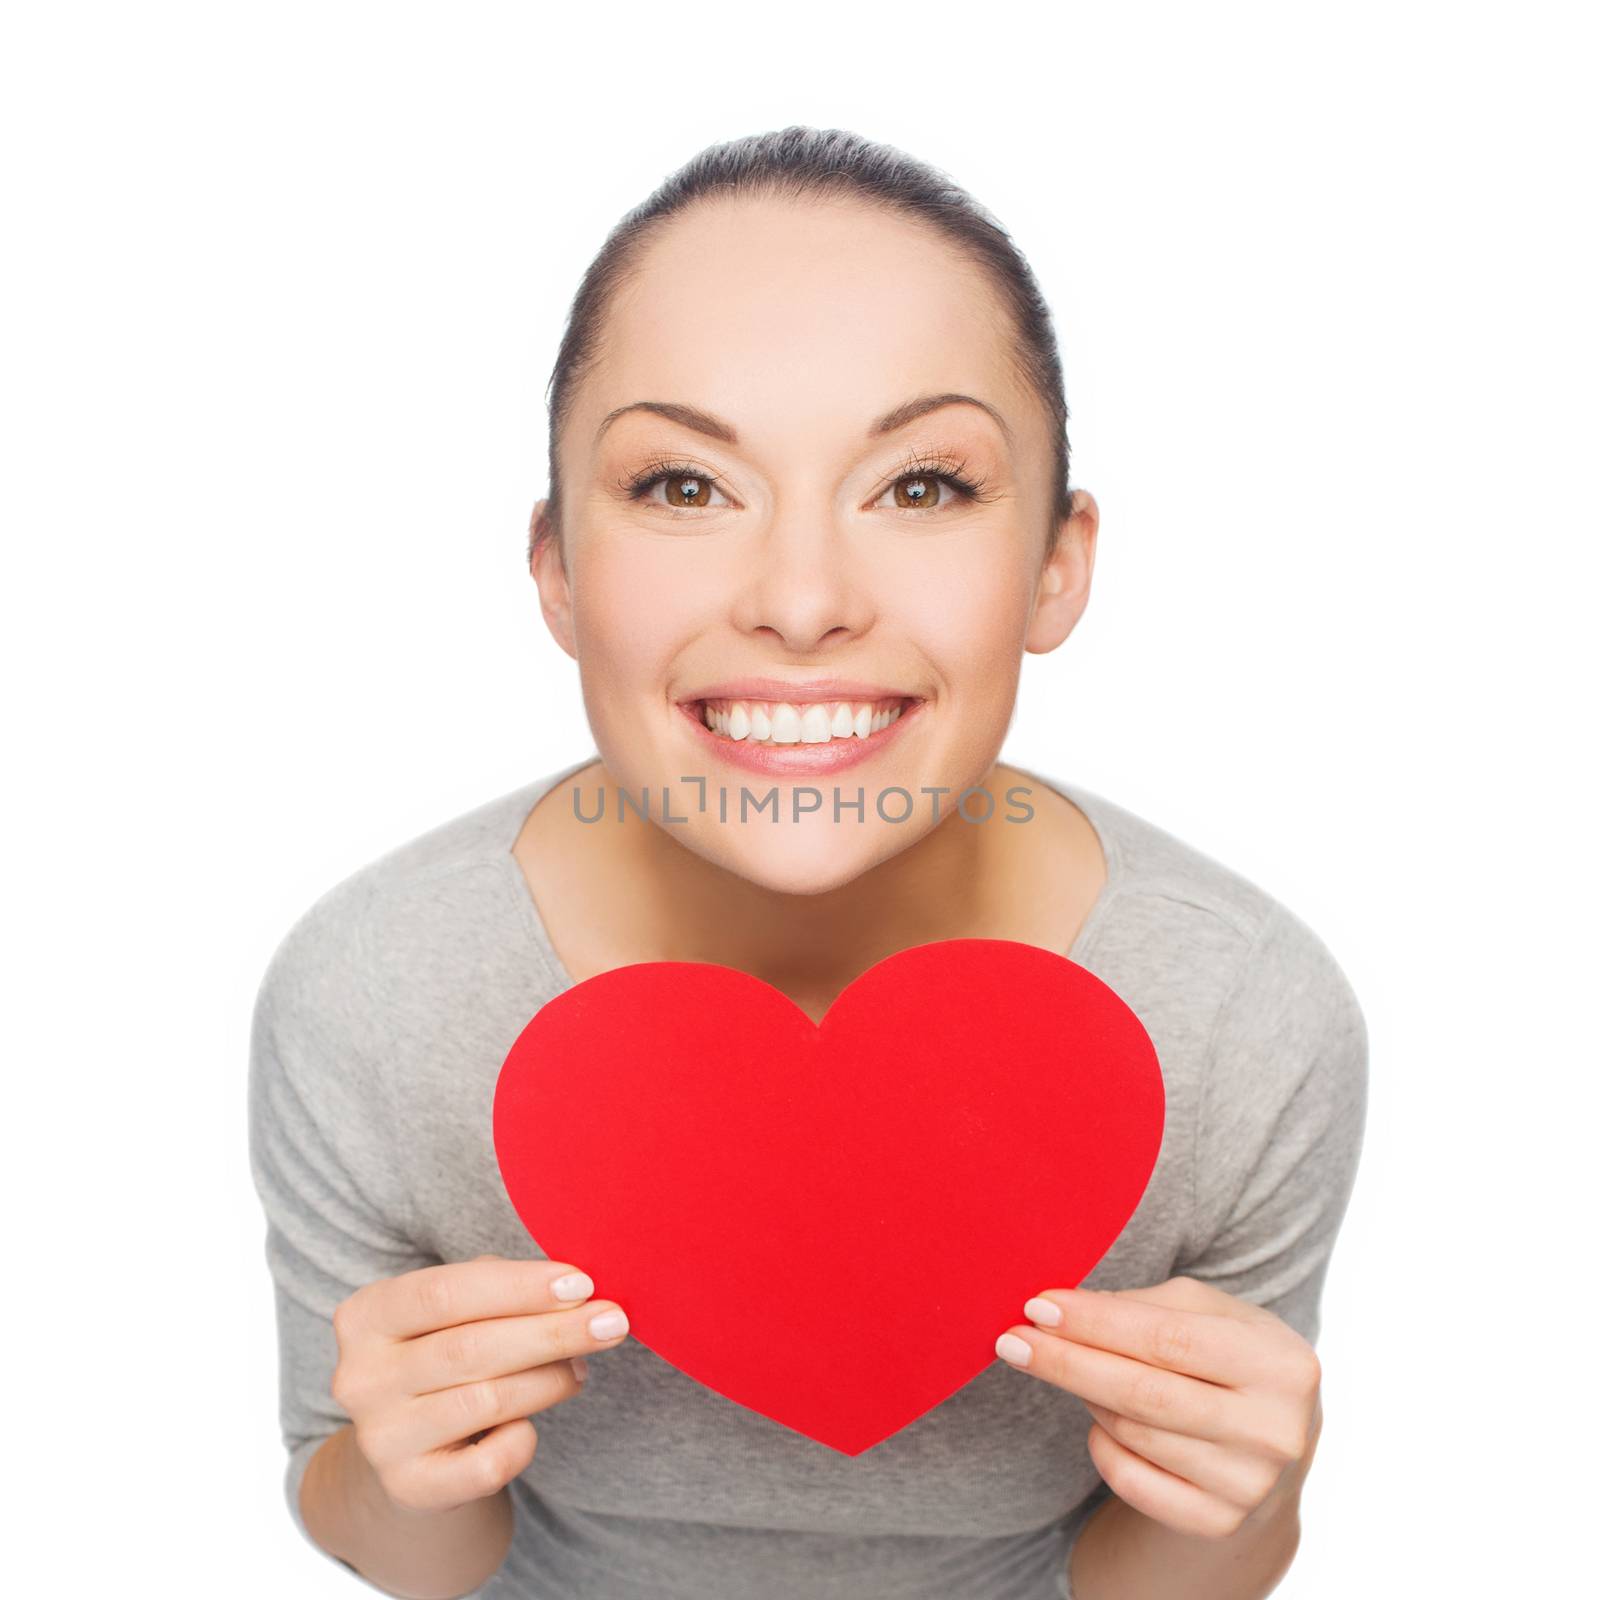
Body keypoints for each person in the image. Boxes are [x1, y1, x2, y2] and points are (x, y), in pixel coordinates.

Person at [248, 125, 1368, 1600]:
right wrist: (404, 1472)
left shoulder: (1238, 1019)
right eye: (682, 486)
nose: (800, 599)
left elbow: (1155, 1579)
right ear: (558, 574)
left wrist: (1240, 1504)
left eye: (919, 485)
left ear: (1056, 564)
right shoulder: (376, 996)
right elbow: (383, 1536)